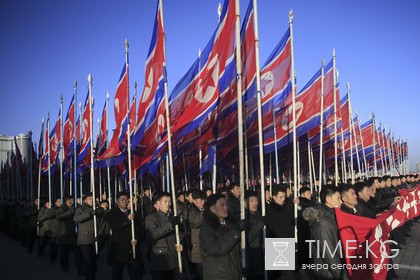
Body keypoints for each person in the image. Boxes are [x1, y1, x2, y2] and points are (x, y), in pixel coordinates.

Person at [303, 186, 349, 280]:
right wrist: (343, 277)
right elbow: (329, 255)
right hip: (328, 274)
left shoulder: (332, 216)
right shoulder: (322, 222)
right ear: (328, 199)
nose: (341, 201)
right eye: (338, 198)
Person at [199, 194, 242, 280]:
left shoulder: (231, 225)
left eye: (226, 205)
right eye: (222, 205)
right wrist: (235, 233)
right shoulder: (207, 229)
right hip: (218, 275)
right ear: (212, 209)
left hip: (234, 273)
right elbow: (216, 249)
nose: (226, 208)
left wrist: (259, 223)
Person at [144, 192, 183, 280]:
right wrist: (170, 224)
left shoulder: (173, 217)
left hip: (174, 257)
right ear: (157, 204)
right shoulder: (151, 218)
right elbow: (153, 234)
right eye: (165, 201)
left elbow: (180, 233)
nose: (168, 204)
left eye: (169, 201)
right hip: (160, 259)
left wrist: (180, 243)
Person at [107, 191, 142, 280]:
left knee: (135, 272)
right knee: (117, 272)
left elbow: (138, 229)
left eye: (126, 199)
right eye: (122, 199)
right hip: (119, 248)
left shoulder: (133, 213)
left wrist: (136, 240)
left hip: (132, 247)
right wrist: (126, 219)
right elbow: (114, 226)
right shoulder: (112, 213)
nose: (125, 201)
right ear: (117, 201)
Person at [74, 192, 104, 280]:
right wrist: (89, 214)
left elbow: (103, 223)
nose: (92, 200)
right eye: (89, 199)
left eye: (93, 198)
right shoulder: (80, 209)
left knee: (94, 260)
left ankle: (93, 276)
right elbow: (76, 219)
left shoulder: (99, 209)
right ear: (85, 200)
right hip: (84, 239)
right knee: (87, 260)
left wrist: (100, 234)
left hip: (95, 238)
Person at [56, 195, 83, 275]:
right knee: (64, 254)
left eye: (71, 200)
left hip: (74, 235)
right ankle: (64, 267)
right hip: (65, 234)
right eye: (68, 200)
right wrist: (71, 211)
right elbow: (59, 216)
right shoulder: (62, 208)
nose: (70, 202)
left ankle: (80, 270)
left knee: (78, 254)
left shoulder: (76, 207)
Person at [244, 190, 265, 280]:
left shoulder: (261, 214)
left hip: (263, 257)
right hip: (252, 259)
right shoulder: (244, 218)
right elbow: (247, 239)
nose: (255, 203)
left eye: (256, 200)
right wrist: (261, 224)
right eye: (251, 200)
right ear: (244, 202)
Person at [187, 190, 206, 280]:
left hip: (206, 244)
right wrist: (204, 213)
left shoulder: (204, 208)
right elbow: (194, 223)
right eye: (200, 200)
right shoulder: (191, 210)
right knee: (201, 272)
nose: (202, 202)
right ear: (194, 200)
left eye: (203, 200)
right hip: (197, 245)